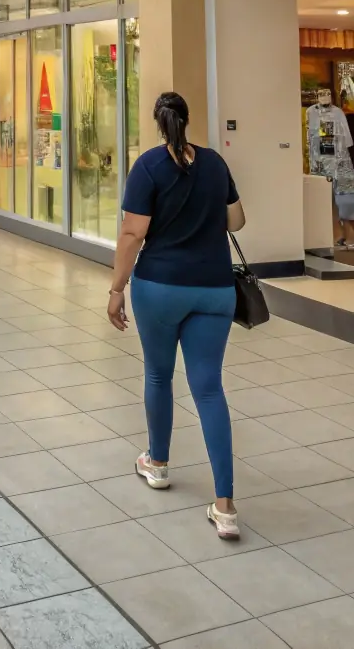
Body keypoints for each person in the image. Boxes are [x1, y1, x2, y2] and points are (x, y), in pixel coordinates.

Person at [108, 91, 246, 542]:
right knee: (209, 389)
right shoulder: (214, 164)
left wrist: (115, 288)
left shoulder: (148, 166)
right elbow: (237, 221)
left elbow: (133, 233)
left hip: (160, 288)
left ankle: (159, 463)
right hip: (214, 288)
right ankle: (225, 506)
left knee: (158, 376)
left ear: (158, 123)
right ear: (188, 121)